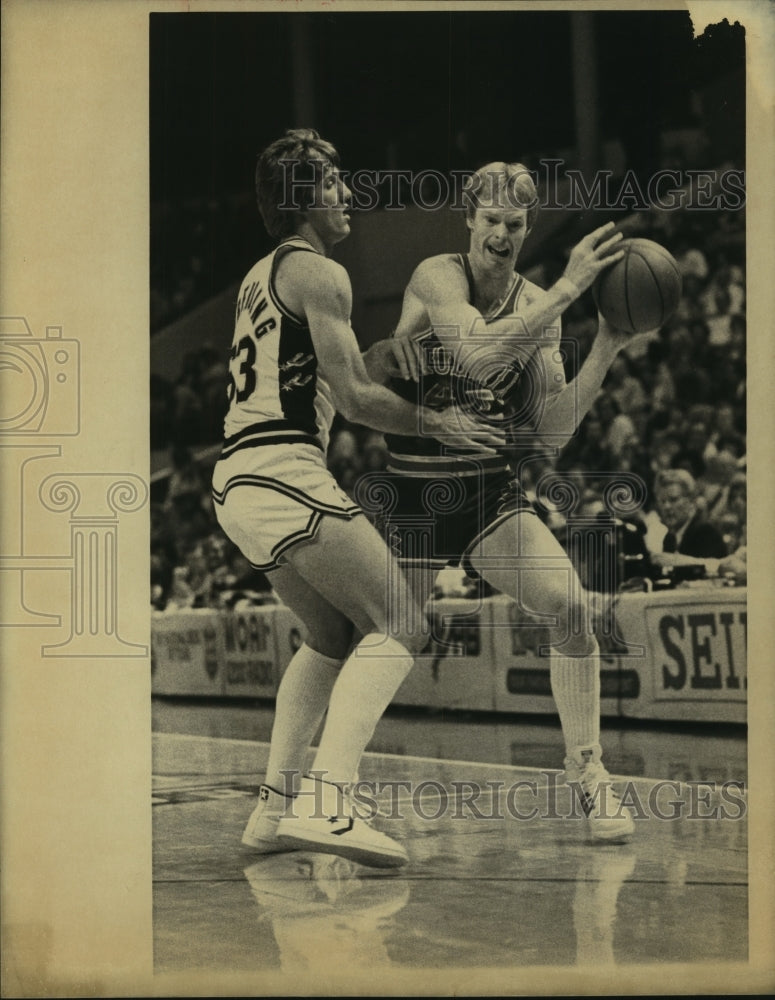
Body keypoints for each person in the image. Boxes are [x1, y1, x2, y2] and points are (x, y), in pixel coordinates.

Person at [211, 129, 498, 868]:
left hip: (238, 480)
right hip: (282, 468)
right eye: (334, 184)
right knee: (402, 622)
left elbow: (323, 376)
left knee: (333, 637)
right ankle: (329, 801)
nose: (347, 195)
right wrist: (433, 419)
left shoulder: (262, 273)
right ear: (304, 199)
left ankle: (274, 810)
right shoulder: (321, 273)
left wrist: (387, 360)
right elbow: (359, 400)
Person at [362, 161, 650, 843]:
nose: (500, 232)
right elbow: (474, 357)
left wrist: (606, 343)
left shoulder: (538, 310)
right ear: (468, 218)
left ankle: (587, 772)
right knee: (385, 639)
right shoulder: (438, 275)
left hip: (488, 488)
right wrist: (570, 288)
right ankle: (322, 786)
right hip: (415, 488)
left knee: (571, 605)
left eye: (514, 224)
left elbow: (547, 432)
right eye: (489, 218)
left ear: (526, 229)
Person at [650, 468, 728, 576]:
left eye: (673, 500)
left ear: (691, 501)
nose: (666, 507)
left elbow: (716, 573)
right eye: (662, 501)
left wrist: (676, 560)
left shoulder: (706, 533)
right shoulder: (669, 539)